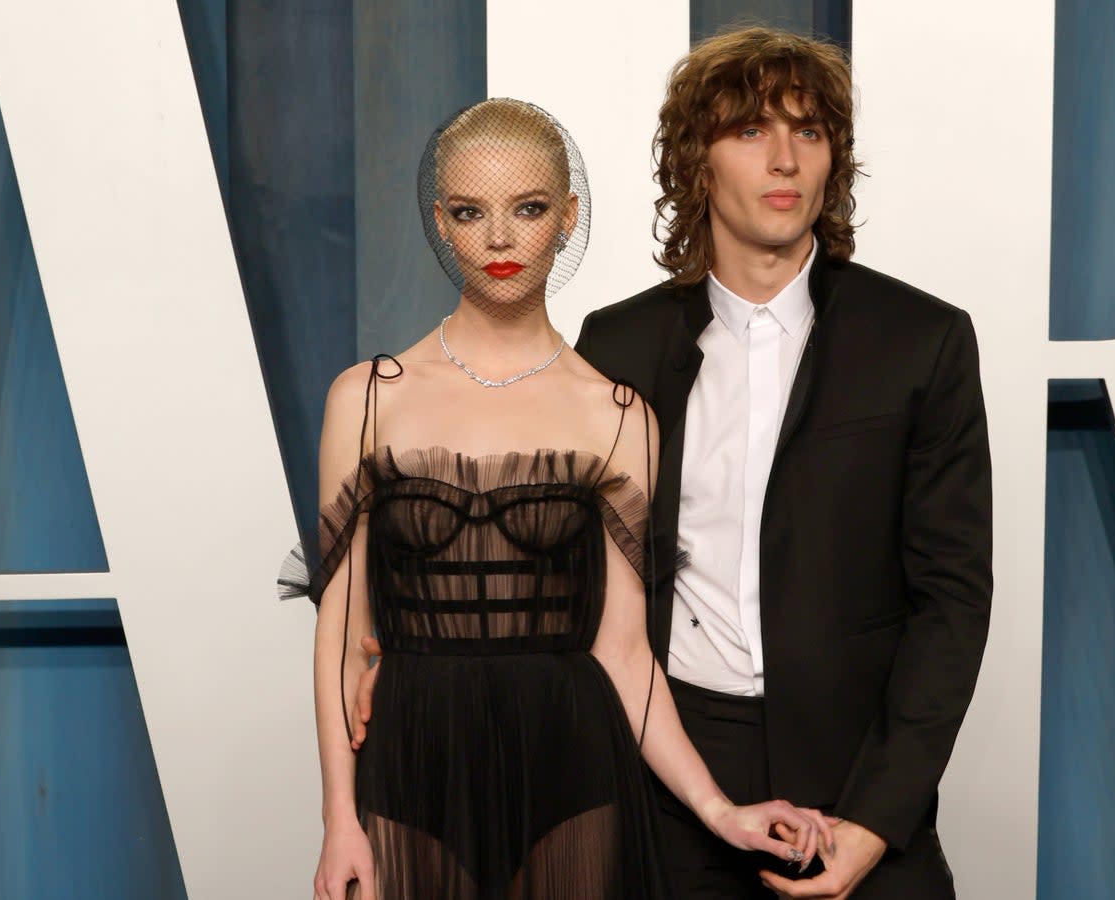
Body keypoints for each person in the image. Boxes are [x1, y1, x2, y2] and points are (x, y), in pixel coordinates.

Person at [356, 31, 992, 898]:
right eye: (750, 131)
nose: (784, 158)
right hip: (668, 779)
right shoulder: (620, 345)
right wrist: (395, 648)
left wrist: (878, 819)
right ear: (698, 162)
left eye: (809, 133)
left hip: (861, 773)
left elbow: (952, 600)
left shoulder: (921, 341)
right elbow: (552, 557)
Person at [303, 98, 833, 900]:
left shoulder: (615, 415)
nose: (501, 238)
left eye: (529, 208)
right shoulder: (368, 398)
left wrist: (719, 810)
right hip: (412, 764)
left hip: (573, 770)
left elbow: (623, 654)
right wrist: (338, 819)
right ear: (442, 225)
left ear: (568, 217)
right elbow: (340, 644)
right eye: (470, 212)